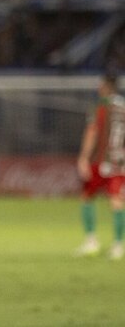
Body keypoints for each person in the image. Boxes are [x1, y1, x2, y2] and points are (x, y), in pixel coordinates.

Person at [76, 74, 125, 260]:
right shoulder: (123, 107)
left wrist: (83, 158)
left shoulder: (100, 107)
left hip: (100, 160)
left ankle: (91, 242)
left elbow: (92, 132)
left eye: (100, 85)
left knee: (87, 197)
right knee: (117, 201)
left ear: (106, 87)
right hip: (119, 163)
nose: (98, 87)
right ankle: (119, 246)